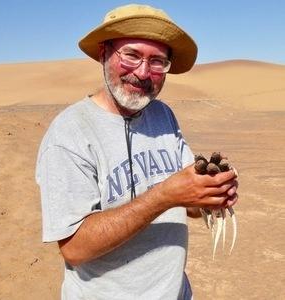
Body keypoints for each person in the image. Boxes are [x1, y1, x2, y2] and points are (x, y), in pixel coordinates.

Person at [35, 4, 238, 300]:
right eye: (131, 55)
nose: (143, 72)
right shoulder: (70, 133)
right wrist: (165, 195)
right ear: (104, 53)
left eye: (157, 61)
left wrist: (210, 193)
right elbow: (75, 249)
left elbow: (189, 206)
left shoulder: (163, 115)